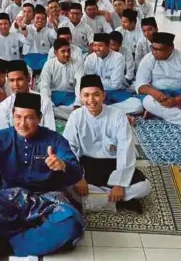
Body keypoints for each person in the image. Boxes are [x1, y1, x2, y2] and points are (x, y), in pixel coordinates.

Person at [0, 92, 85, 259]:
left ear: (39, 118)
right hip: (12, 196)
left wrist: (63, 165)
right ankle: (40, 234)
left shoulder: (54, 140)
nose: (22, 124)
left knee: (71, 223)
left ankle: (8, 244)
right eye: (18, 117)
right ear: (12, 116)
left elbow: (76, 172)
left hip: (48, 198)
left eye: (29, 118)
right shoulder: (2, 137)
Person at [63, 74, 151, 214]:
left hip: (113, 165)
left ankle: (100, 199)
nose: (91, 100)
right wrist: (78, 177)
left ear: (103, 95)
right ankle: (120, 200)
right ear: (80, 96)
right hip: (86, 165)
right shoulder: (76, 116)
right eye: (86, 95)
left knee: (144, 186)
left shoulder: (118, 115)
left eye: (96, 94)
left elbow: (125, 149)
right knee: (66, 183)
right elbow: (68, 148)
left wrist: (120, 184)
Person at [136, 32, 181, 129]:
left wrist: (176, 101)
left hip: (180, 97)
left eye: (158, 49)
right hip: (158, 97)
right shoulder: (148, 59)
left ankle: (158, 113)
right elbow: (141, 85)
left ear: (170, 48)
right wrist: (158, 95)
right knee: (147, 102)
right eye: (153, 48)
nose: (154, 52)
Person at [84, 33, 143, 116]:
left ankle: (102, 110)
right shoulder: (90, 59)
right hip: (97, 93)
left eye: (100, 45)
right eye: (94, 45)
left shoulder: (118, 57)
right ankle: (108, 111)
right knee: (81, 102)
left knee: (138, 105)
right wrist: (105, 83)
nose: (96, 49)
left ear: (108, 45)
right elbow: (89, 83)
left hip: (116, 92)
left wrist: (97, 82)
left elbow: (116, 85)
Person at [0, 60, 56, 131]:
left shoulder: (44, 102)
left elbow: (51, 132)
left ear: (28, 78)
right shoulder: (4, 106)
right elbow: (3, 137)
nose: (16, 84)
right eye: (12, 80)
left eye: (19, 79)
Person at [40, 38, 84, 119]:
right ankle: (68, 116)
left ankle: (56, 113)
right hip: (53, 96)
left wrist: (77, 104)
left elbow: (80, 84)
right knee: (42, 105)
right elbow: (44, 86)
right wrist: (48, 104)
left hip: (70, 97)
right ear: (55, 53)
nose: (67, 54)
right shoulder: (49, 65)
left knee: (81, 108)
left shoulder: (77, 63)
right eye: (63, 51)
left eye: (68, 51)